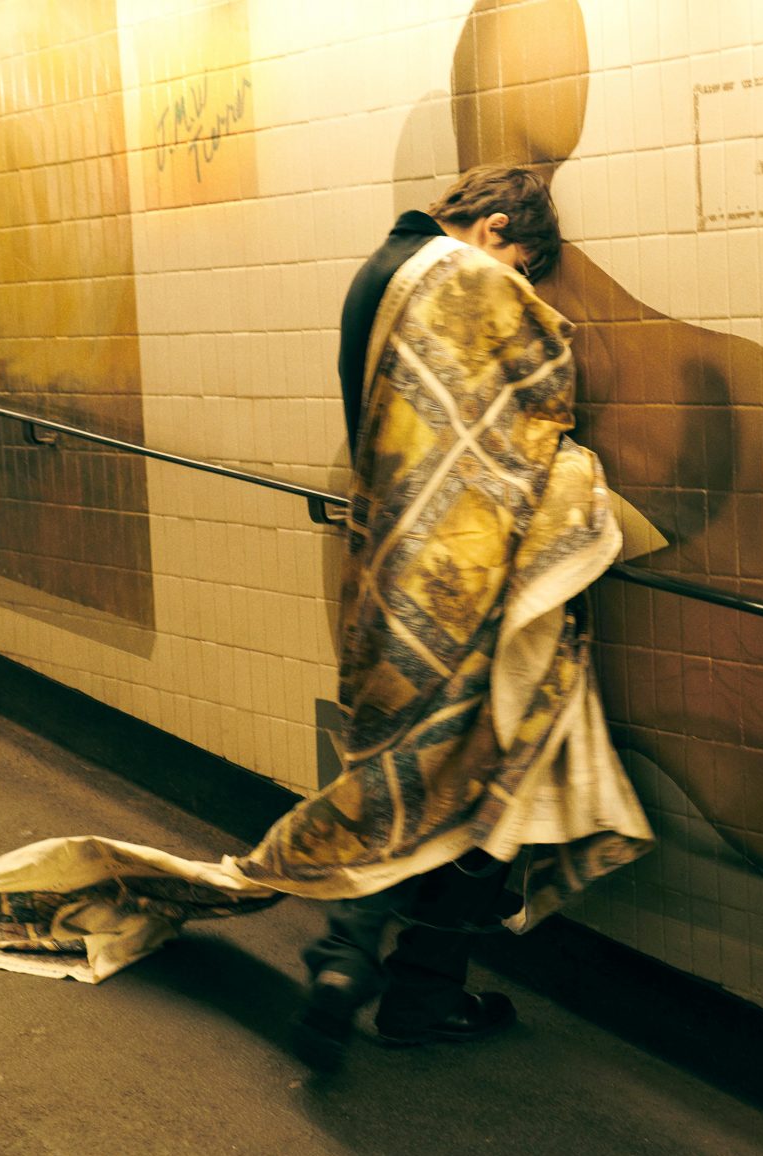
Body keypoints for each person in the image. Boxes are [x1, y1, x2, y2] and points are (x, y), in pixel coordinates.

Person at [293, 165, 646, 1069]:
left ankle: (344, 956)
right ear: (493, 229)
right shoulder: (455, 274)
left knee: (395, 772)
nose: (517, 288)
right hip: (457, 581)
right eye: (521, 267)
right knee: (494, 777)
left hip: (382, 573)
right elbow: (532, 404)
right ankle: (421, 993)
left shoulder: (377, 274)